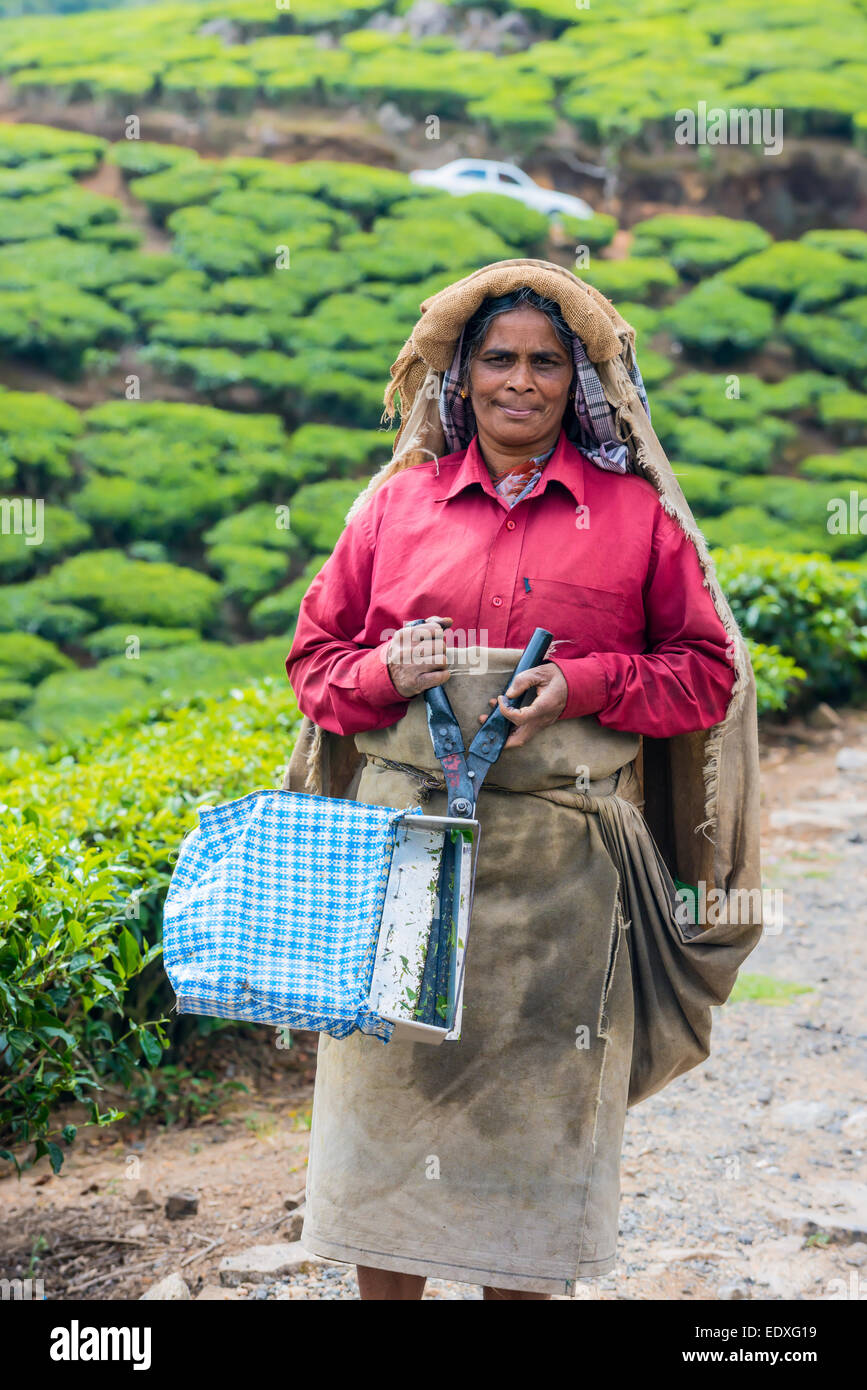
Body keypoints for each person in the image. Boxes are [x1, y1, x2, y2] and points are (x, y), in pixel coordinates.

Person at [284, 260, 762, 1301]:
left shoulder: (635, 520)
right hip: (404, 858)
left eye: (547, 361)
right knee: (388, 1119)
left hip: (560, 873)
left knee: (535, 1138)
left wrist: (584, 683)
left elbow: (706, 674)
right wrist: (385, 669)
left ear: (578, 383)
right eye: (497, 357)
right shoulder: (396, 509)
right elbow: (315, 666)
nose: (520, 379)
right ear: (462, 375)